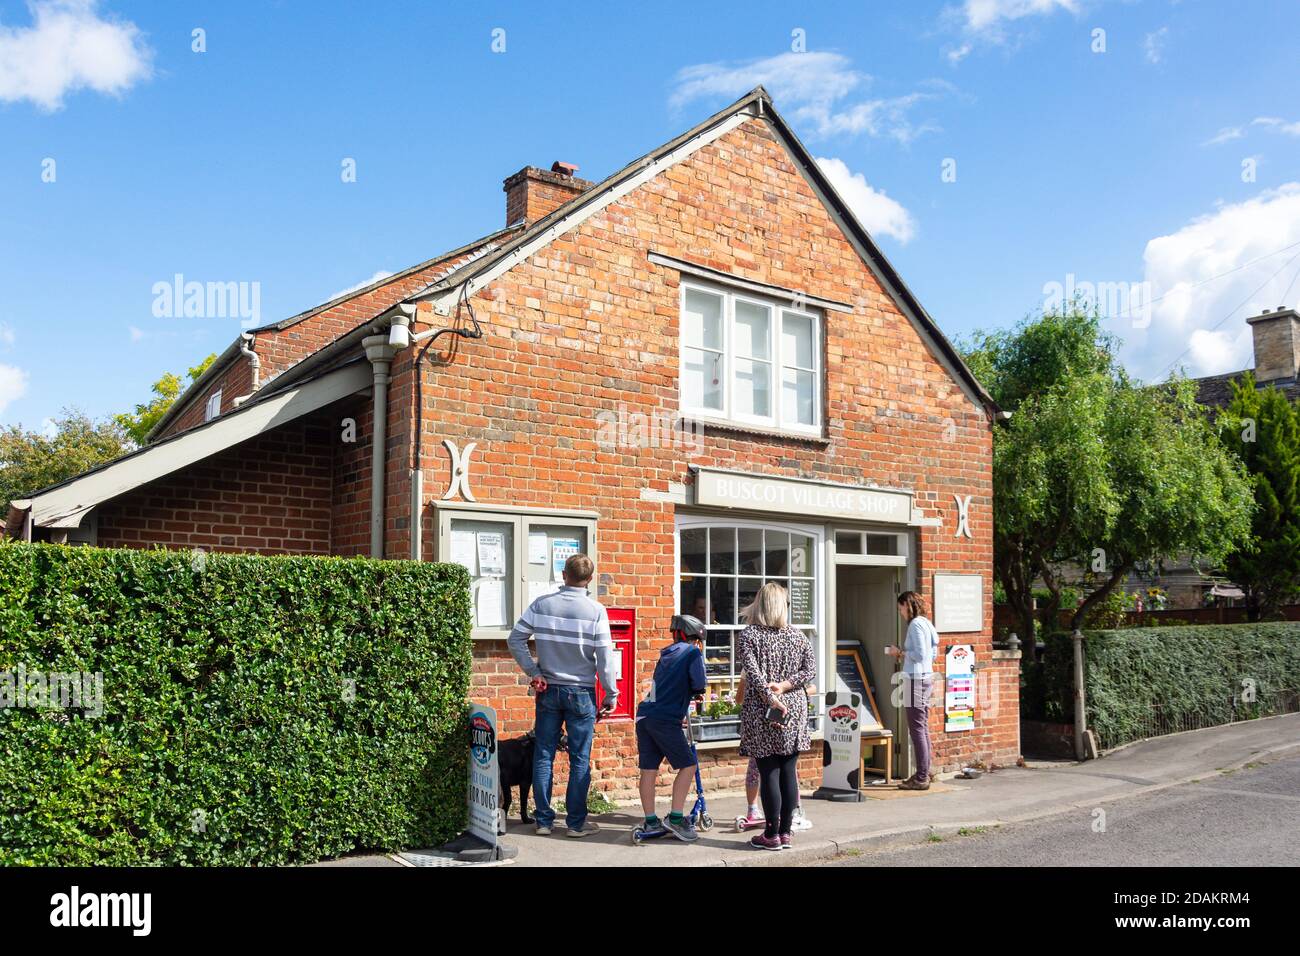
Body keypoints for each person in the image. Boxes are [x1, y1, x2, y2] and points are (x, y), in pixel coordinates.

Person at [507, 553, 618, 837]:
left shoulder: (542, 605)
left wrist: (534, 672)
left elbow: (515, 639)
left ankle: (543, 821)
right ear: (590, 579)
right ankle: (575, 824)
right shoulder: (596, 611)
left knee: (543, 754)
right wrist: (610, 692)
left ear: (563, 575)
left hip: (548, 691)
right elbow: (605, 658)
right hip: (581, 692)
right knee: (579, 758)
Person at [737, 582, 815, 851]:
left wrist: (773, 695)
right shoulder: (798, 635)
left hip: (763, 709)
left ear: (760, 604)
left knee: (769, 770)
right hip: (793, 706)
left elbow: (754, 677)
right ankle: (785, 833)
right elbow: (809, 671)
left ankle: (771, 834)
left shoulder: (749, 635)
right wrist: (785, 686)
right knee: (788, 770)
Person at [635, 614, 708, 842]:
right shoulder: (692, 653)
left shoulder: (664, 654)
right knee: (688, 765)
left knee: (648, 770)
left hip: (645, 716)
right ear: (692, 637)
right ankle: (676, 820)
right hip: (665, 720)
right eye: (698, 640)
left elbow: (658, 688)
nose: (699, 645)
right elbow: (699, 684)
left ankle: (650, 821)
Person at [736, 675, 815, 831]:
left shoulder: (762, 661)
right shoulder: (757, 667)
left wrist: (781, 690)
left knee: (776, 773)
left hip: (770, 722)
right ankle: (775, 820)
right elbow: (739, 698)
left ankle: (776, 823)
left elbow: (812, 687)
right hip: (776, 722)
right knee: (778, 772)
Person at [886, 590, 939, 791]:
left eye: (900, 608)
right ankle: (924, 772)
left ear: (907, 606)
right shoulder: (926, 622)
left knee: (917, 729)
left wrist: (898, 652)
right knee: (922, 727)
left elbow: (921, 653)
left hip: (915, 680)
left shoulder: (916, 624)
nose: (900, 612)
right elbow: (934, 649)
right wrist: (908, 655)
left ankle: (922, 777)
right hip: (925, 678)